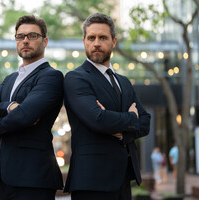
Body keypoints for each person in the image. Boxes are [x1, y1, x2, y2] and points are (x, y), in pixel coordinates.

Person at [63, 12, 151, 200]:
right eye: (91, 37)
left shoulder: (124, 82)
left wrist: (120, 130)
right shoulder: (75, 78)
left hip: (123, 178)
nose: (96, 43)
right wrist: (131, 118)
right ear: (84, 41)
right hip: (91, 179)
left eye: (103, 37)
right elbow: (98, 119)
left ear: (114, 41)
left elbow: (146, 122)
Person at [0, 15, 64, 200]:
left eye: (32, 36)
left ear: (45, 41)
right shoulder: (10, 79)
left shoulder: (51, 77)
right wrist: (9, 106)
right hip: (7, 174)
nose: (25, 40)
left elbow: (25, 115)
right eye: (20, 36)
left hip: (34, 175)